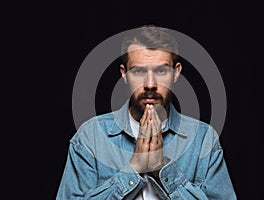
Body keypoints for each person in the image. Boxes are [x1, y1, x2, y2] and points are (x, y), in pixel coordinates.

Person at [56, 25, 236, 199]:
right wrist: (133, 169)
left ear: (176, 73)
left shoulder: (203, 139)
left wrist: (162, 168)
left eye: (161, 70)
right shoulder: (91, 137)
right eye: (139, 71)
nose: (150, 83)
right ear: (124, 74)